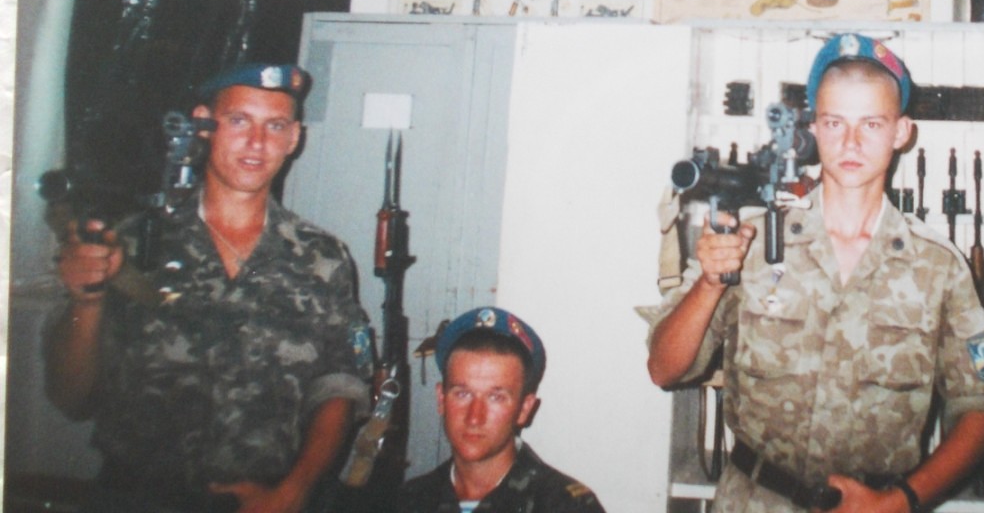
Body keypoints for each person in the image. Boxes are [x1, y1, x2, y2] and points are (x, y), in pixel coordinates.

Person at [647, 33, 984, 512]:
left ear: (901, 132)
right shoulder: (751, 242)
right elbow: (664, 368)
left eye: (871, 124)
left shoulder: (937, 266)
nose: (851, 143)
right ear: (814, 129)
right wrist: (709, 283)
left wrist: (901, 501)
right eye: (835, 123)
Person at [45, 63, 374, 513]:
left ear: (294, 138)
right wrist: (87, 301)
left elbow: (338, 387)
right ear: (203, 124)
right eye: (239, 121)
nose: (257, 142)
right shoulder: (133, 246)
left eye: (275, 125)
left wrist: (294, 491)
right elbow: (70, 398)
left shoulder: (322, 258)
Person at [396, 306, 607, 512]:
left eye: (496, 397)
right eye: (463, 394)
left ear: (524, 409)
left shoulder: (566, 506)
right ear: (441, 399)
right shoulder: (408, 501)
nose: (474, 417)